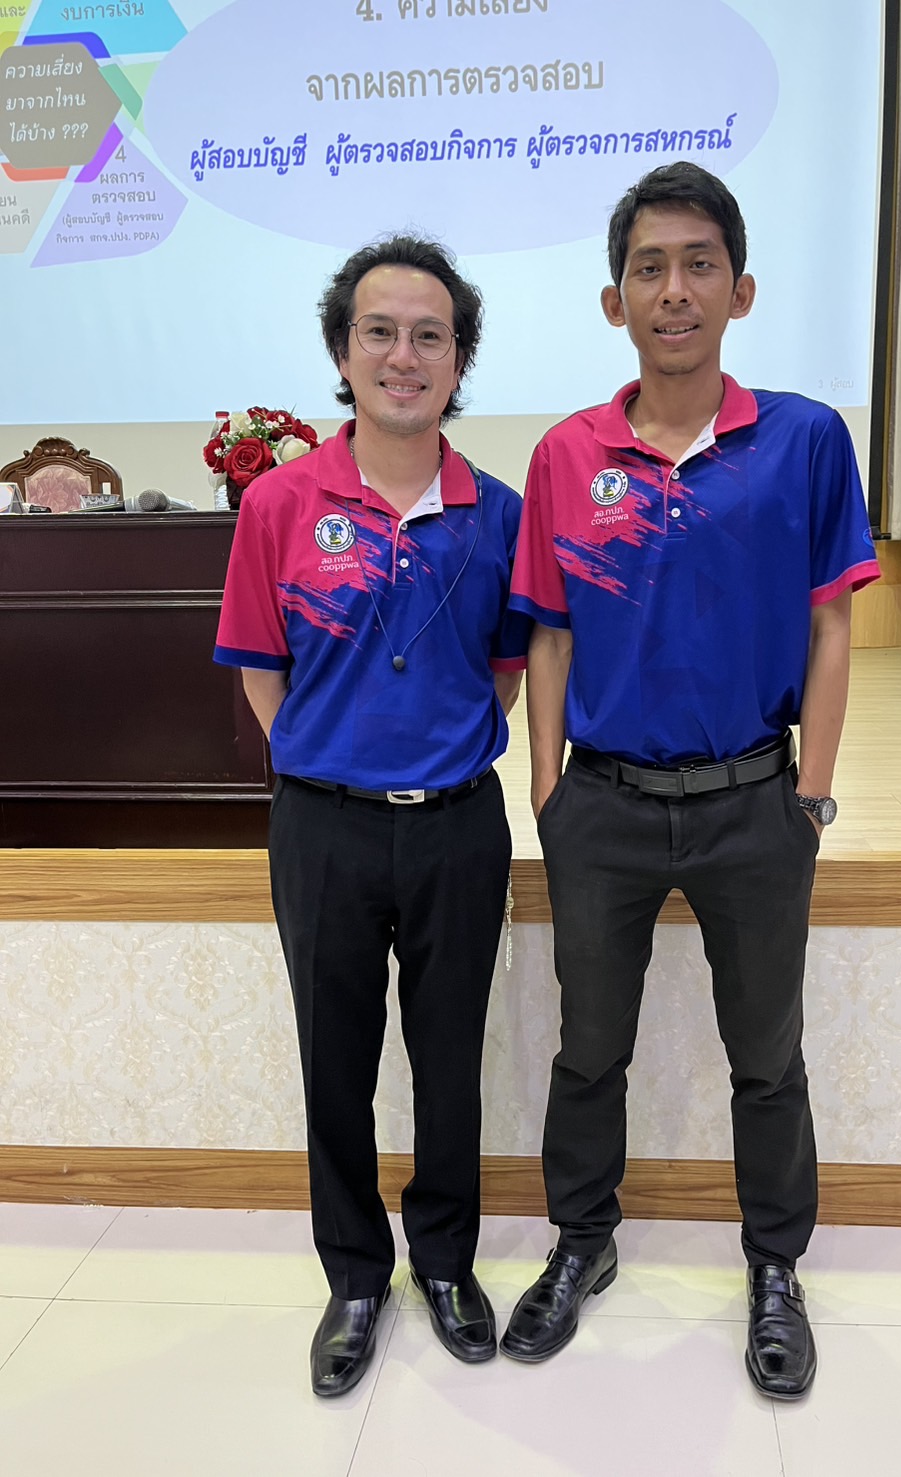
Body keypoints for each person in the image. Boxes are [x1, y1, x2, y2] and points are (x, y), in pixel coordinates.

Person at [500, 164, 880, 1398]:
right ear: (614, 299)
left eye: (698, 263)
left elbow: (831, 623)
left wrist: (811, 791)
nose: (675, 289)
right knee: (587, 1049)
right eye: (649, 267)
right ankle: (581, 1241)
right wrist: (548, 789)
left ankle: (774, 1267)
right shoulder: (568, 454)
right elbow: (549, 632)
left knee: (766, 1055)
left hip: (753, 804)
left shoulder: (803, 441)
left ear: (740, 289)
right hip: (602, 807)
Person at [214, 235, 529, 1395]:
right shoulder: (279, 503)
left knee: (450, 1063)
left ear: (459, 361)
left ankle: (444, 1261)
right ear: (344, 353)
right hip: (324, 828)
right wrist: (330, 758)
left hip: (456, 824)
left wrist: (426, 753)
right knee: (333, 1062)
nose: (405, 355)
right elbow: (261, 668)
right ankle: (354, 1274)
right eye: (380, 332)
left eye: (429, 336)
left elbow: (504, 671)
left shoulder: (497, 514)